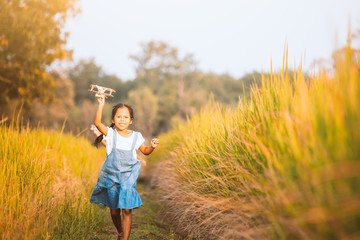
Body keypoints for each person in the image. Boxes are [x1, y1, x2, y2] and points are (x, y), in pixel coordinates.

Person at [90, 96, 159, 240]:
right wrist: (101, 104)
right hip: (111, 178)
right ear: (113, 120)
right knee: (115, 212)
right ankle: (119, 232)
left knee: (127, 210)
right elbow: (97, 123)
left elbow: (145, 151)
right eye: (119, 117)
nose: (122, 120)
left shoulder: (136, 136)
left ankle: (124, 239)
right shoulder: (110, 134)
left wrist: (152, 146)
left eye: (126, 117)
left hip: (128, 178)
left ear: (131, 120)